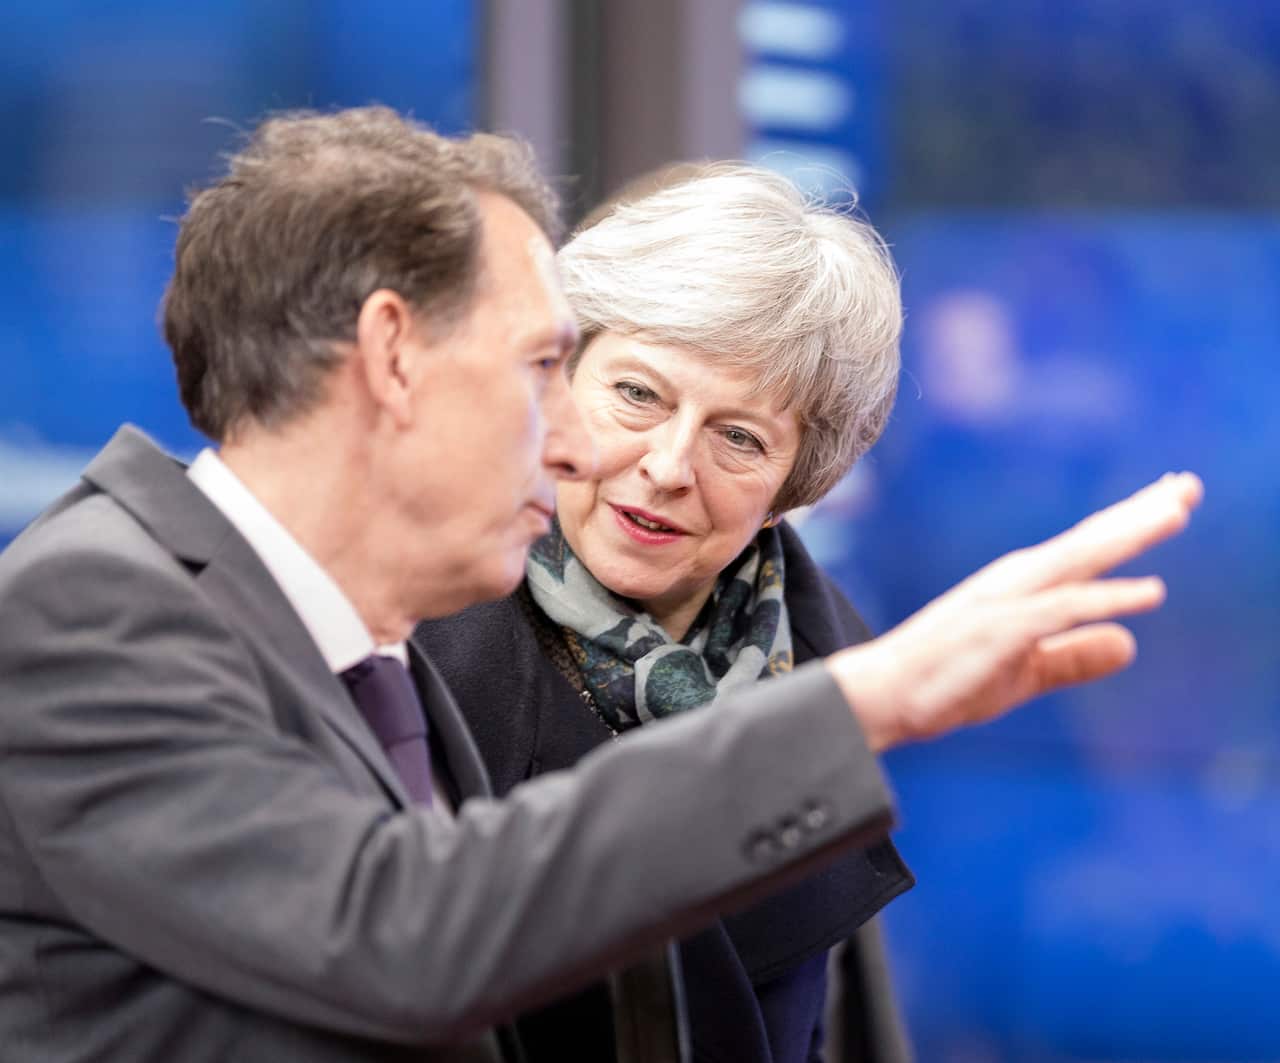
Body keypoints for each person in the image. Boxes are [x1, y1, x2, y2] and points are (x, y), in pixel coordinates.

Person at [0, 106, 1201, 1063]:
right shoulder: (99, 608)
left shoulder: (343, 634)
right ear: (390, 357)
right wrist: (863, 702)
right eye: (549, 370)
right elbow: (403, 929)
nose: (578, 441)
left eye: (741, 436)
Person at [414, 164, 912, 1063]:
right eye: (638, 394)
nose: (671, 464)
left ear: (791, 487)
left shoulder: (832, 663)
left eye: (740, 437)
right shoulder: (416, 629)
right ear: (557, 379)